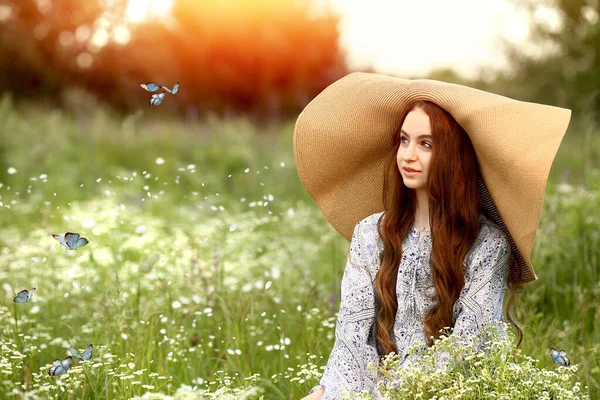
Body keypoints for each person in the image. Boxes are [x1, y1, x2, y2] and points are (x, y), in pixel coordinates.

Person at [293, 72, 572, 399]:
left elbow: (468, 347)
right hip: (374, 387)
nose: (408, 155)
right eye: (404, 140)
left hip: (451, 389)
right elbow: (352, 339)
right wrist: (338, 393)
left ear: (453, 156)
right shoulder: (370, 233)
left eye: (426, 144)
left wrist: (404, 392)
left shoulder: (487, 245)